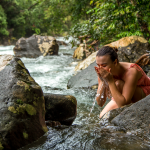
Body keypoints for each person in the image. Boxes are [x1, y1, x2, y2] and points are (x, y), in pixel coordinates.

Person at [94, 46, 150, 118]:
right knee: (102, 116)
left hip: (145, 93)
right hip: (122, 96)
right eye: (98, 65)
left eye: (104, 65)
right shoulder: (102, 72)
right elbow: (100, 103)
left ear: (115, 62)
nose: (100, 69)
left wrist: (110, 81)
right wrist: (102, 80)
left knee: (118, 84)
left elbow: (123, 104)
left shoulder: (131, 71)